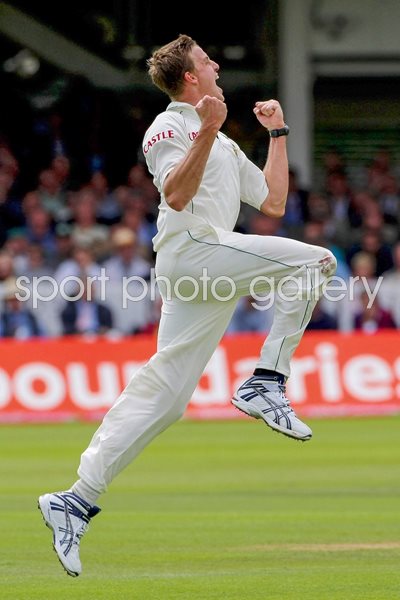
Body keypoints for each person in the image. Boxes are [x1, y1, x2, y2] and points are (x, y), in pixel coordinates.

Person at [38, 34, 337, 577]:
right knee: (314, 261)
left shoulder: (220, 140)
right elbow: (176, 195)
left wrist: (277, 134)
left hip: (207, 269)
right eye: (206, 59)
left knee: (168, 396)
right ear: (189, 78)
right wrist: (209, 129)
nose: (217, 62)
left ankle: (74, 500)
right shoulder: (169, 127)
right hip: (190, 252)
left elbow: (272, 201)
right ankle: (266, 381)